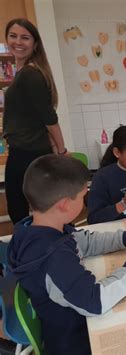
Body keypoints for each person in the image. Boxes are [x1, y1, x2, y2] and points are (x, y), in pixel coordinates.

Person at [7, 155, 126, 355]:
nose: (84, 202)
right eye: (81, 197)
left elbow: (85, 242)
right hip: (76, 341)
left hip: (71, 322)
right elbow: (96, 301)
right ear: (64, 205)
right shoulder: (53, 258)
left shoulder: (38, 228)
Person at [3, 18, 69, 224]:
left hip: (28, 153)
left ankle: (32, 248)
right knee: (44, 206)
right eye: (13, 36)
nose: (18, 42)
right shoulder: (24, 73)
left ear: (35, 44)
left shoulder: (30, 75)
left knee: (23, 208)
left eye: (25, 37)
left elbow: (49, 118)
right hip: (27, 150)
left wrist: (62, 150)